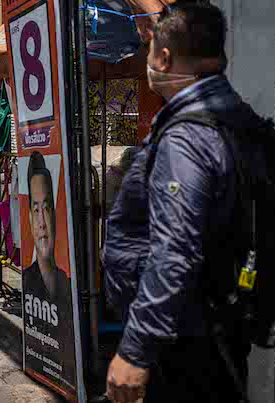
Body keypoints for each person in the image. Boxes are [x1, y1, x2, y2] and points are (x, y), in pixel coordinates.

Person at [103, 3, 250, 403]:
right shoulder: (238, 116)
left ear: (164, 58)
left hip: (185, 339)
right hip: (218, 321)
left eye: (148, 48)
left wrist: (135, 351)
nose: (146, 58)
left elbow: (174, 251)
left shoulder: (185, 139)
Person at [22, 152, 75, 392]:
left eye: (47, 208)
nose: (42, 222)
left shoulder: (70, 286)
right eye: (35, 210)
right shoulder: (27, 283)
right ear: (29, 219)